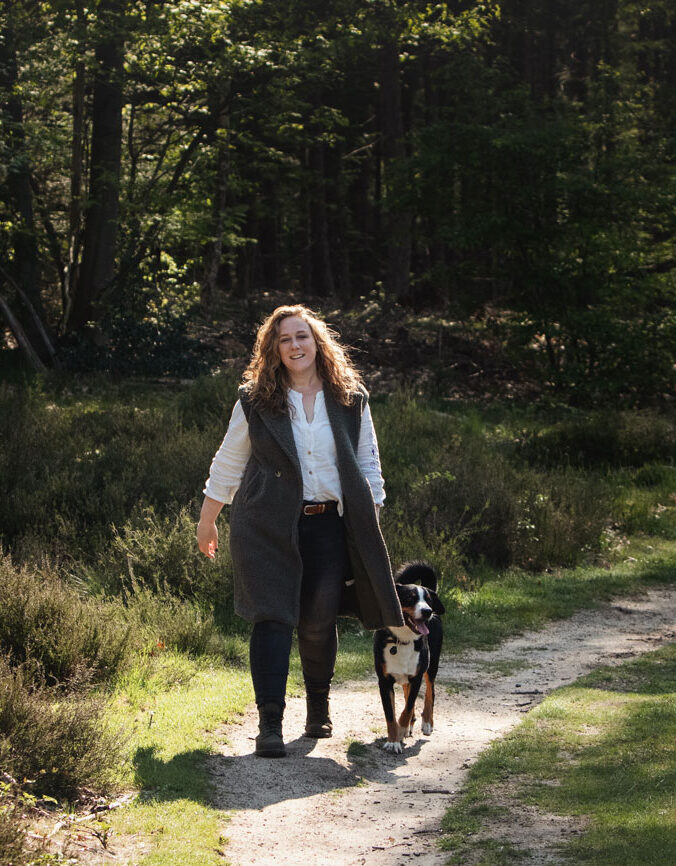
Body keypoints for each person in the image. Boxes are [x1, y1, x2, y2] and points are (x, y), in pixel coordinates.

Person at [196, 304, 403, 758]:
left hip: (328, 523)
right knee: (271, 619)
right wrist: (208, 518)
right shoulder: (255, 400)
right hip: (266, 525)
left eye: (302, 337)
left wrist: (371, 519)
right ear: (273, 349)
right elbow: (229, 460)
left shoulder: (351, 398)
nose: (295, 346)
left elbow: (368, 462)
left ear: (317, 342)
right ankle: (269, 724)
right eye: (285, 339)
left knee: (316, 620)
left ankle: (317, 706)